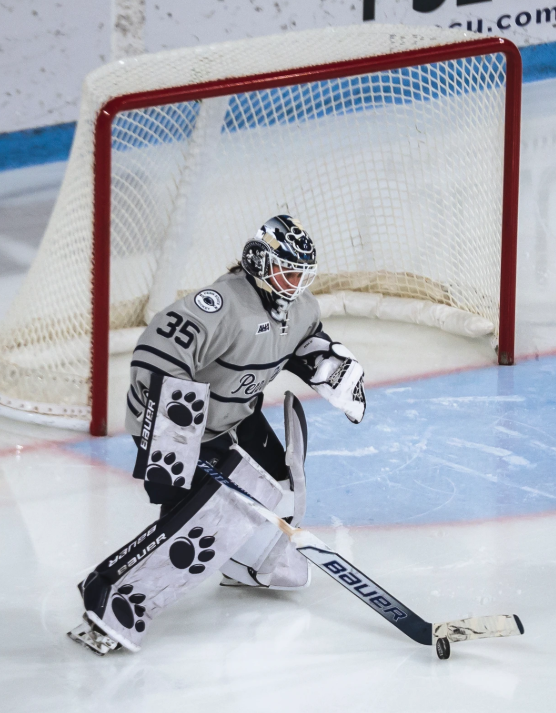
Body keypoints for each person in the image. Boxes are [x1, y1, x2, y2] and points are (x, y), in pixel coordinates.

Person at [68, 215, 366, 655]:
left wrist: (330, 368)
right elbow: (156, 354)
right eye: (287, 270)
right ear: (259, 262)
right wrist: (172, 440)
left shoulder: (301, 307)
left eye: (302, 274)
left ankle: (250, 563)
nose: (295, 283)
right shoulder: (222, 304)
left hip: (234, 415)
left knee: (280, 489)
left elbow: (303, 341)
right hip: (176, 426)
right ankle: (111, 598)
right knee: (203, 518)